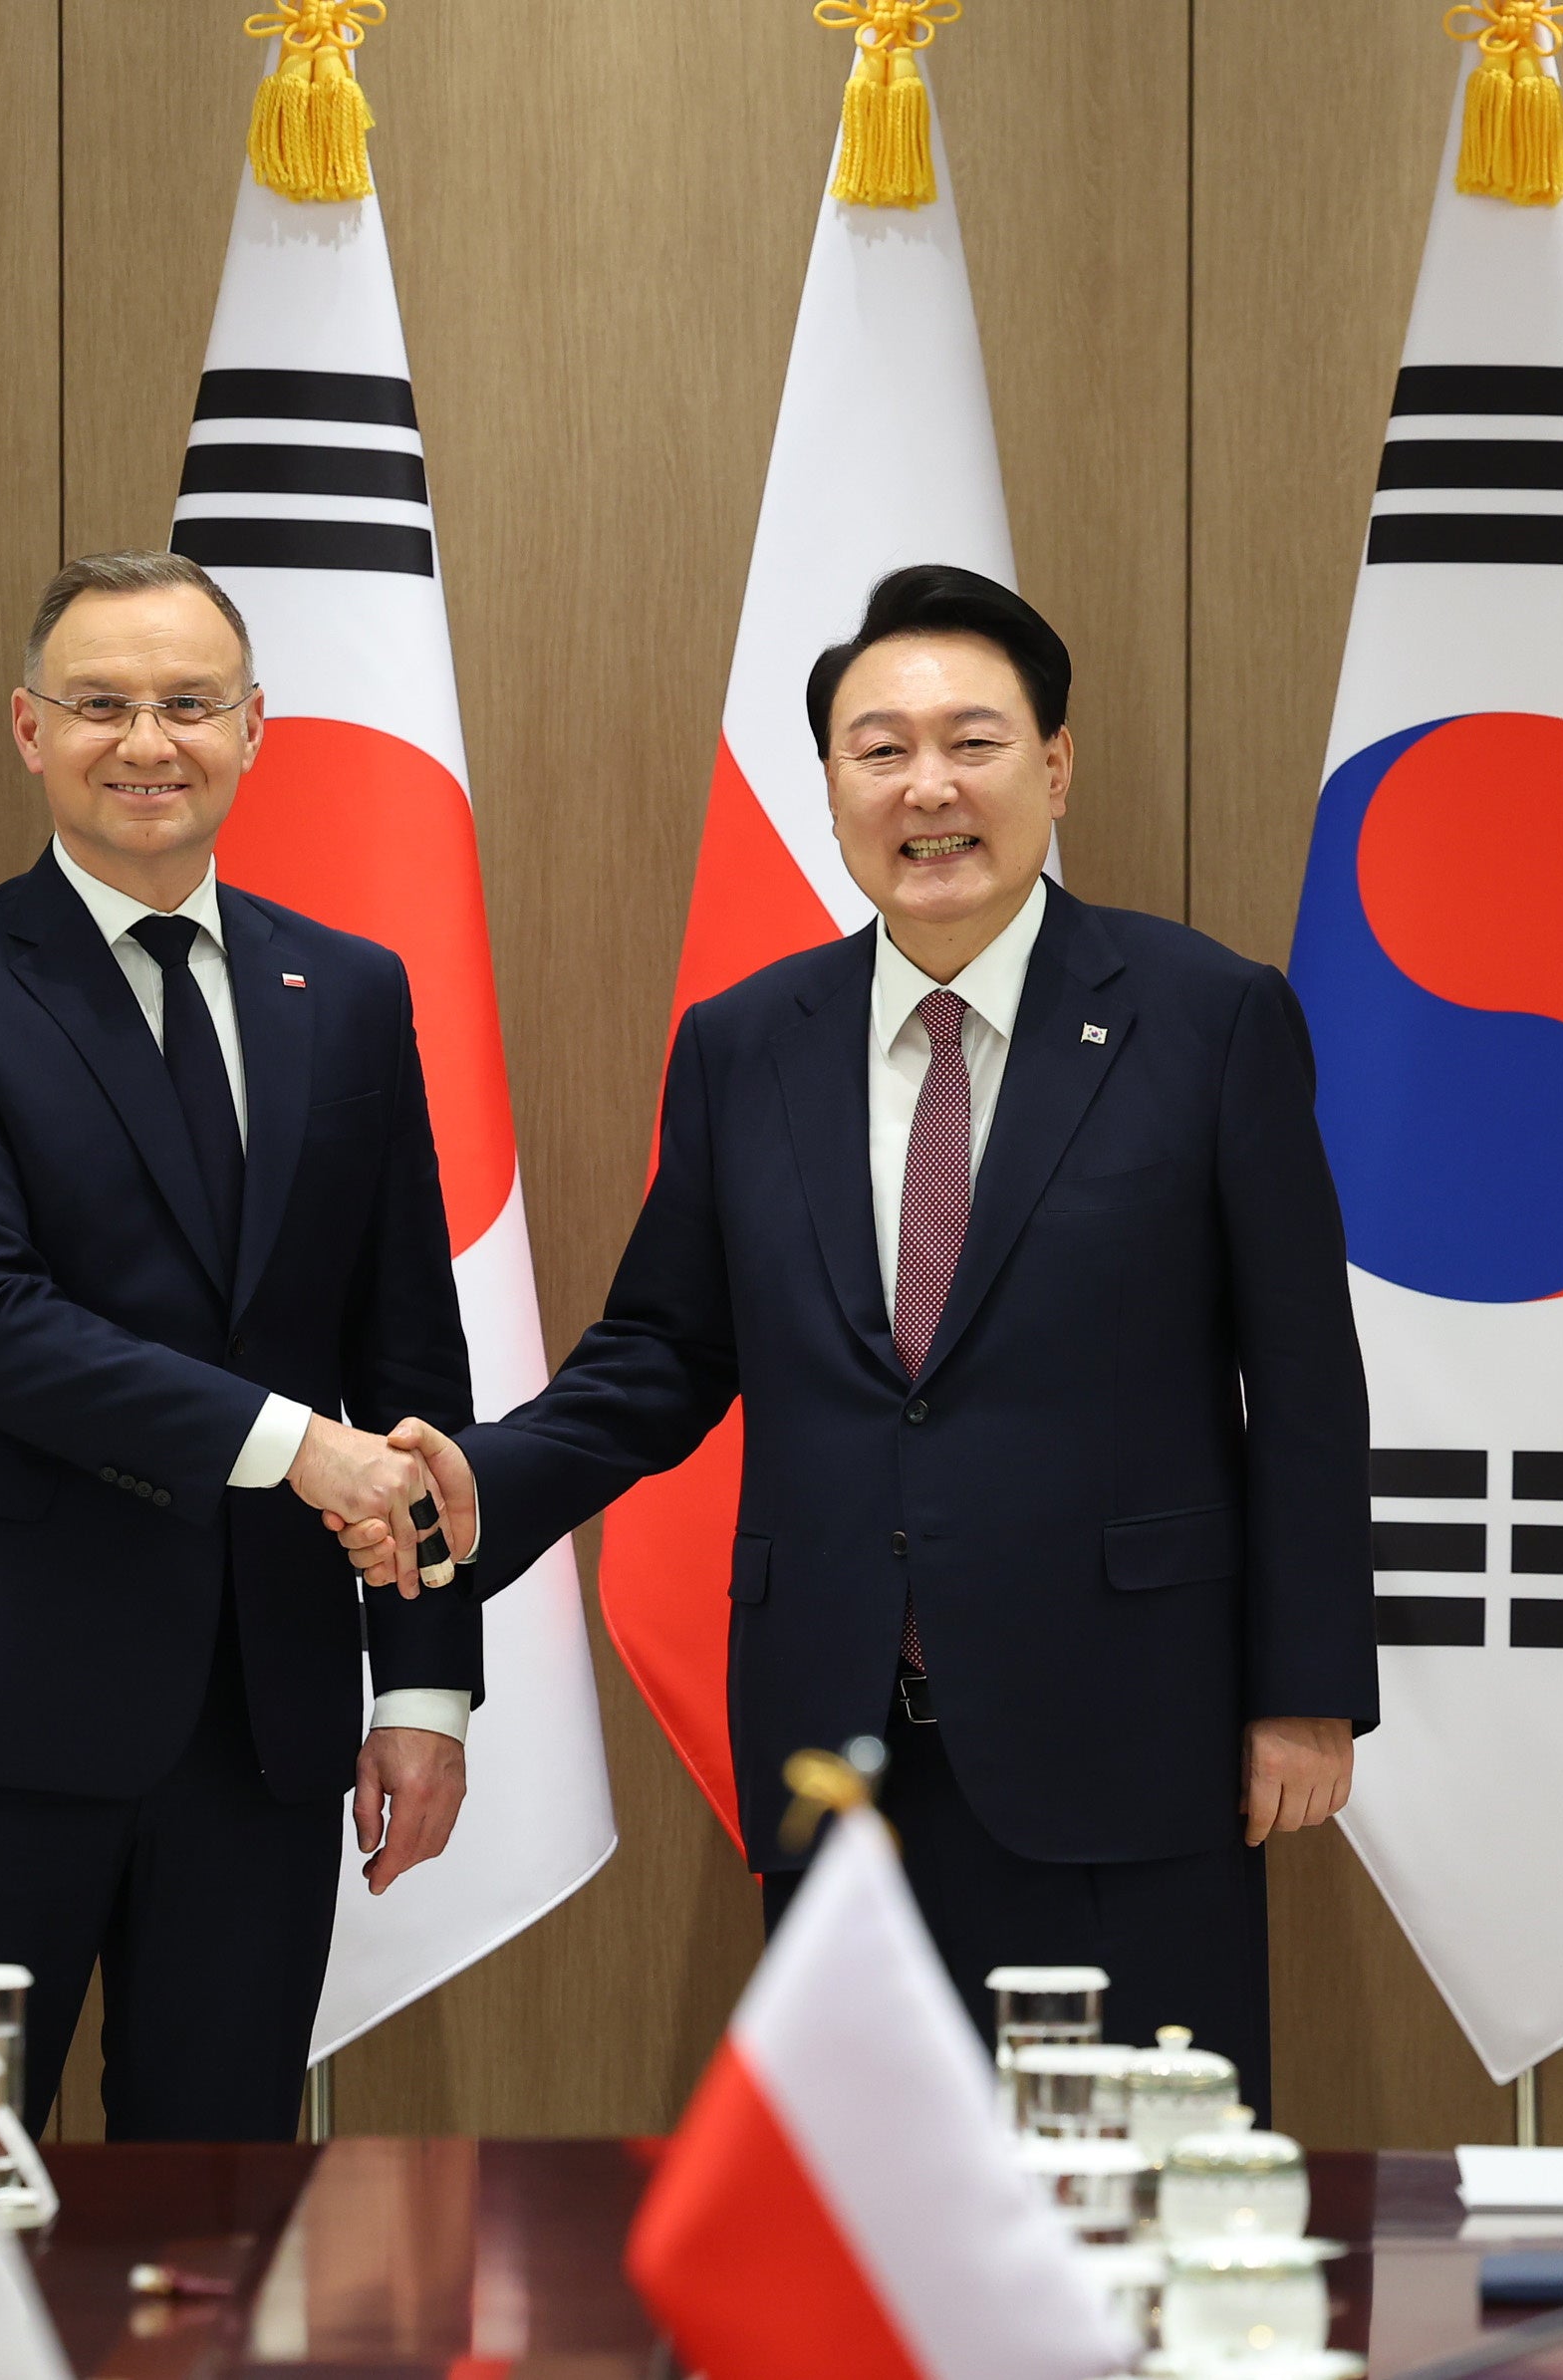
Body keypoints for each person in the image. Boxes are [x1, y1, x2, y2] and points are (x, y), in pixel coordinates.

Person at [348, 565, 1374, 2114]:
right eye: (878, 747)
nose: (928, 786)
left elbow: (1302, 1375)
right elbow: (662, 1352)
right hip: (837, 1736)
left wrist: (1302, 1685)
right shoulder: (748, 1040)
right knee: (858, 2223)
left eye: (972, 740)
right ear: (827, 783)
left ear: (1056, 765)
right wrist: (492, 1484)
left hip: (1125, 1727)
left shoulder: (1207, 1016)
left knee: (1128, 2221)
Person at [0, 549, 477, 2142]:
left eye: (189, 704)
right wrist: (290, 1442)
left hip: (262, 1713)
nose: (147, 742)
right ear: (26, 730)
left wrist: (428, 1689)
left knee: (224, 2190)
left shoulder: (352, 992)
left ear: (257, 731)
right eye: (101, 705)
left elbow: (409, 1357)